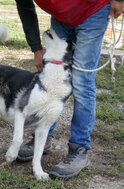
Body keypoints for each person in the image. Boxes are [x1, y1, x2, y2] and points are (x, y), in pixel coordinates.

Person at [15, 0, 124, 179]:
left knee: (82, 81)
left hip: (93, 9)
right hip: (62, 15)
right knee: (52, 76)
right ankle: (43, 137)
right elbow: (25, 7)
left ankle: (79, 149)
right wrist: (36, 48)